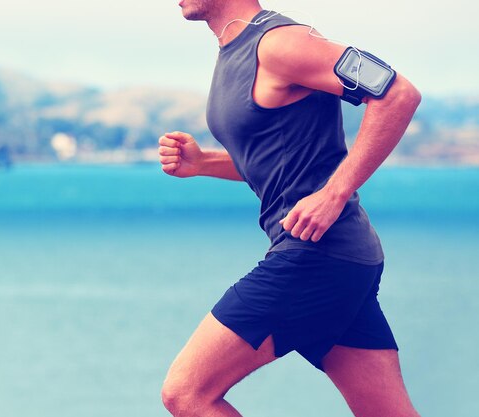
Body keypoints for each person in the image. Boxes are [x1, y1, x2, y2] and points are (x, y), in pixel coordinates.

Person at [157, 1, 422, 417]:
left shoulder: (281, 43)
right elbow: (283, 160)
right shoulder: (235, 48)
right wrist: (204, 164)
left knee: (187, 393)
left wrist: (334, 193)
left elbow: (398, 94)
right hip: (342, 259)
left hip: (315, 255)